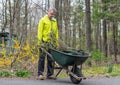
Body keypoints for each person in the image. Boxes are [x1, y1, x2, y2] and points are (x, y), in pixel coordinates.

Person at [37, 8, 59, 80]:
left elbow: (56, 33)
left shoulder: (54, 21)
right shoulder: (43, 20)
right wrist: (39, 42)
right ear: (48, 12)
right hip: (44, 42)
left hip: (51, 42)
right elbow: (40, 32)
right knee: (42, 58)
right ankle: (40, 74)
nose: (51, 15)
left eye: (53, 14)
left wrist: (56, 42)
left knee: (51, 59)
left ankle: (50, 74)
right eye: (51, 13)